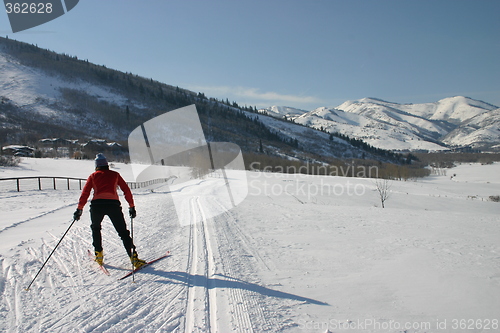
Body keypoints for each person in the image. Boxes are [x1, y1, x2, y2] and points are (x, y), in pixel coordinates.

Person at [73, 153, 146, 269]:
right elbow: (126, 190)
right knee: (123, 233)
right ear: (107, 165)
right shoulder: (115, 175)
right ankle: (134, 258)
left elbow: (85, 193)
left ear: (96, 166)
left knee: (96, 228)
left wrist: (79, 210)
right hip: (113, 206)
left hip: (97, 206)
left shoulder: (93, 176)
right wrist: (131, 206)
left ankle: (99, 255)